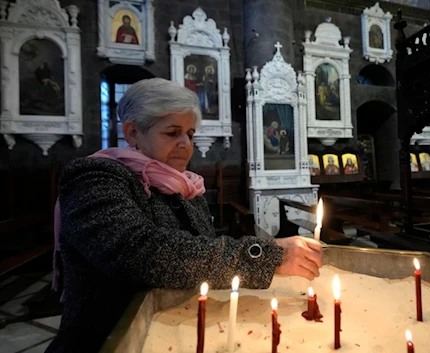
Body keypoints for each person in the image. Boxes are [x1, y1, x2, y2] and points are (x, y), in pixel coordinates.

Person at [45, 78, 322, 353]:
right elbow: (139, 252)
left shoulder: (186, 187)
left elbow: (200, 253)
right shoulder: (94, 178)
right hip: (112, 339)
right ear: (132, 133)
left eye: (189, 134)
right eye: (172, 133)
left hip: (181, 332)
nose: (185, 145)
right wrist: (267, 256)